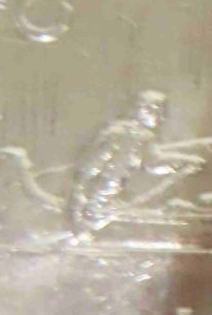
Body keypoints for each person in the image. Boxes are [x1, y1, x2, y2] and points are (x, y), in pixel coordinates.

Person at [68, 91, 203, 239]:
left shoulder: (138, 135)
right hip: (101, 188)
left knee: (103, 214)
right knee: (96, 216)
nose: (161, 118)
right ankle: (80, 230)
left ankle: (82, 229)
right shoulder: (122, 133)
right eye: (157, 111)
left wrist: (182, 162)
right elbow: (96, 162)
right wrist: (184, 162)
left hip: (108, 189)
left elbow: (152, 163)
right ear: (142, 109)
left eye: (162, 112)